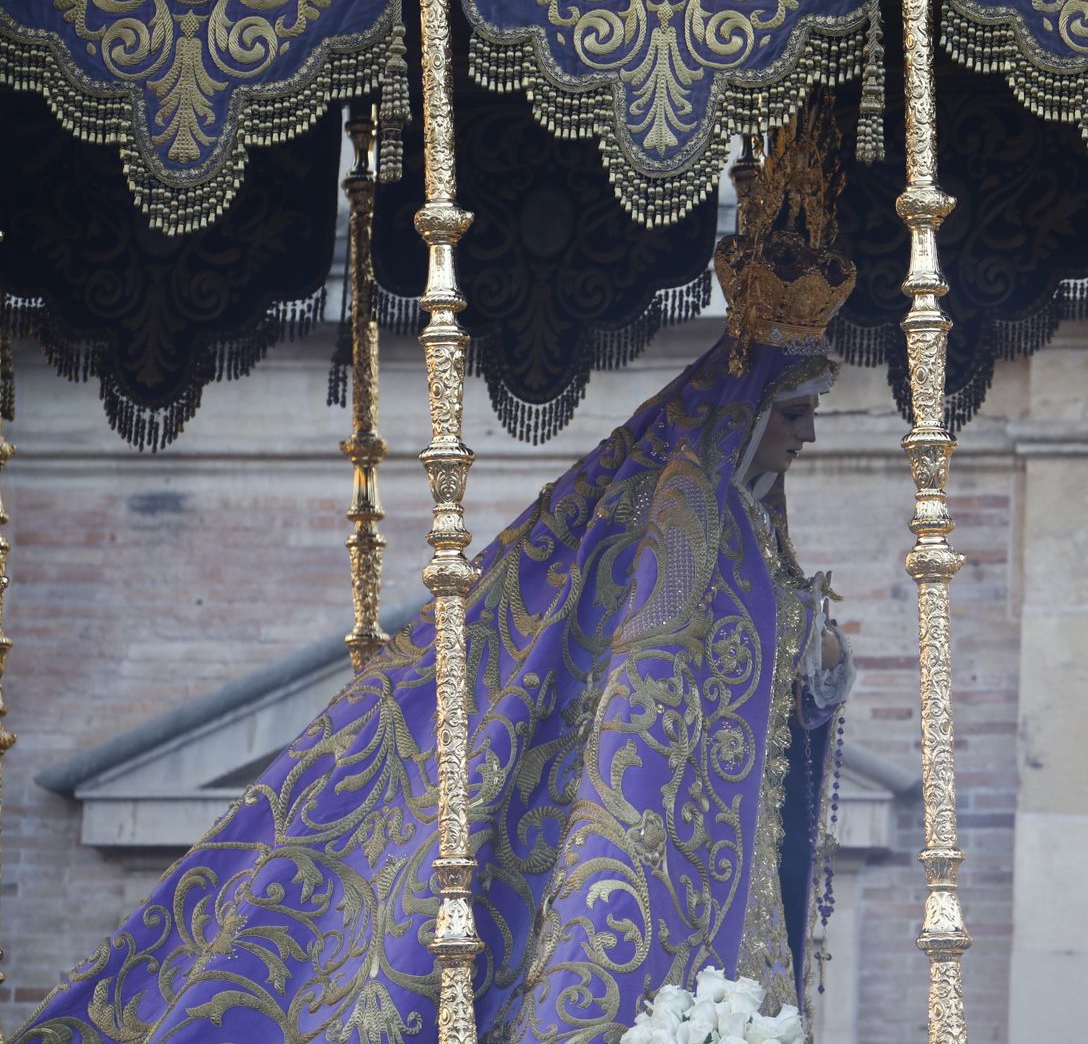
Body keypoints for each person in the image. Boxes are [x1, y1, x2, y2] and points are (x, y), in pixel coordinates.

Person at [13, 111, 856, 1044]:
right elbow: (637, 697)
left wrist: (819, 668)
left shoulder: (749, 535)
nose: (807, 433)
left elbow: (760, 707)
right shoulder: (678, 524)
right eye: (796, 410)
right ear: (745, 413)